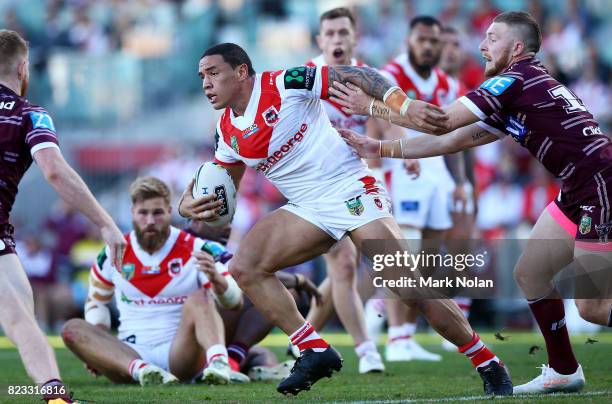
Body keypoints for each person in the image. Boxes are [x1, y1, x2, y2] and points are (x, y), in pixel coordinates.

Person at [178, 42, 512, 396]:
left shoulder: (286, 81)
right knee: (246, 267)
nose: (205, 84)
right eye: (201, 77)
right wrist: (187, 206)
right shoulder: (225, 130)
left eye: (213, 73)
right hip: (307, 207)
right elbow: (218, 192)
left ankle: (488, 362)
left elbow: (362, 75)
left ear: (241, 71)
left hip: (350, 187)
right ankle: (314, 349)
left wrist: (403, 104)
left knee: (410, 289)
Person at [333, 10, 612, 395]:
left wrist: (374, 107)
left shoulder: (513, 81)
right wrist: (379, 146)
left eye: (492, 38)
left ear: (516, 47)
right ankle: (564, 370)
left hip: (600, 187)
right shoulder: (522, 86)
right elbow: (452, 141)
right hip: (577, 189)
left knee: (593, 309)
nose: (481, 46)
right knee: (530, 274)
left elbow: (442, 121)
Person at [0, 29, 126, 403]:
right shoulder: (29, 114)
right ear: (23, 68)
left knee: (22, 313)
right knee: (20, 318)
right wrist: (105, 221)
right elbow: (54, 171)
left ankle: (54, 395)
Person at [61, 177, 244, 386]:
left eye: (157, 213)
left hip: (179, 353)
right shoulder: (112, 253)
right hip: (129, 354)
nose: (150, 221)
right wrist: (99, 343)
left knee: (200, 297)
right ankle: (145, 372)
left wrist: (216, 279)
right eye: (143, 213)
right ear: (132, 213)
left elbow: (235, 301)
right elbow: (96, 302)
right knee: (72, 328)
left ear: (169, 212)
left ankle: (219, 365)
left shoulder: (196, 247)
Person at [301, 6, 384, 374]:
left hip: (355, 182)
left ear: (354, 37)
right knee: (345, 263)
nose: (336, 39)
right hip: (315, 185)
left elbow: (388, 120)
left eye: (342, 33)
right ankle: (367, 350)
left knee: (342, 272)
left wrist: (397, 152)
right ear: (320, 41)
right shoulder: (305, 77)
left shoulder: (368, 77)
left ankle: (301, 340)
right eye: (330, 33)